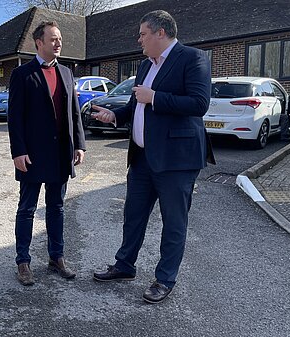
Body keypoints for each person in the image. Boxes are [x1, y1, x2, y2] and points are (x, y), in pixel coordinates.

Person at [91, 10, 215, 304]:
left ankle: (164, 279)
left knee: (174, 223)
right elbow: (137, 104)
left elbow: (199, 103)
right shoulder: (146, 66)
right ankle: (124, 266)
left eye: (143, 33)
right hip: (143, 157)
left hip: (177, 160)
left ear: (161, 33)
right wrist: (115, 115)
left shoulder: (192, 58)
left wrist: (155, 97)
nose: (139, 39)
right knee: (133, 216)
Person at [8, 21, 86, 286]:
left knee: (56, 207)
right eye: (53, 39)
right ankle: (23, 262)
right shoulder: (22, 74)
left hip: (59, 155)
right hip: (31, 155)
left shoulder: (66, 72)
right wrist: (18, 151)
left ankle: (57, 257)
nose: (58, 43)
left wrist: (79, 144)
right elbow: (14, 117)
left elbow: (74, 112)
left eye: (60, 38)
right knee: (27, 209)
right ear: (38, 42)